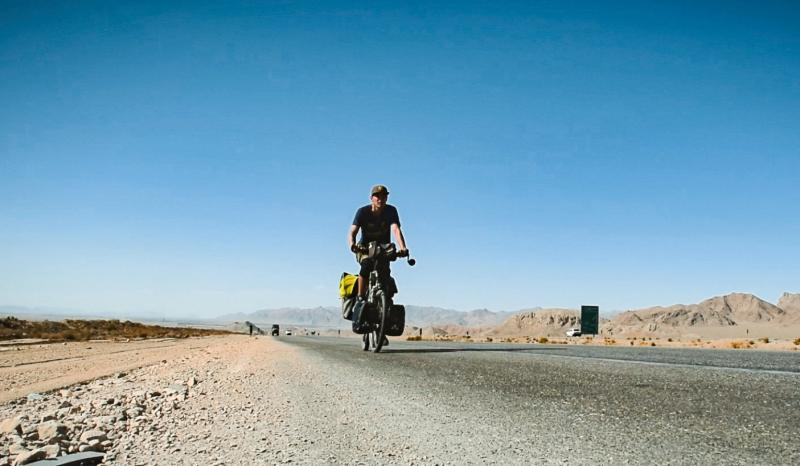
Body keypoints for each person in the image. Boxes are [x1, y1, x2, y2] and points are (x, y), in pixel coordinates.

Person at [347, 184, 409, 326]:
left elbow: (396, 229)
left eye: (384, 196)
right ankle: (361, 298)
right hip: (365, 249)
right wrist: (352, 244)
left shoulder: (391, 211)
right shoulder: (362, 212)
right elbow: (352, 231)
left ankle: (383, 321)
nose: (381, 199)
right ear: (372, 198)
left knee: (385, 277)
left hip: (383, 249)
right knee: (366, 265)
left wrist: (403, 248)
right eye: (377, 196)